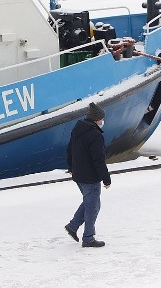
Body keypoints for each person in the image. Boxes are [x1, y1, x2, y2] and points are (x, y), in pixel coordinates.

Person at [64, 102, 111, 248]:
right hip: (90, 177)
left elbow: (69, 150)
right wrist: (106, 178)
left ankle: (73, 226)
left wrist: (71, 167)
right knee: (93, 206)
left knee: (91, 202)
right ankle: (88, 238)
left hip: (79, 175)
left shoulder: (78, 129)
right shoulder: (95, 135)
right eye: (102, 119)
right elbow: (98, 160)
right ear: (97, 120)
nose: (103, 122)